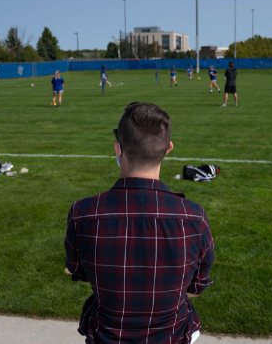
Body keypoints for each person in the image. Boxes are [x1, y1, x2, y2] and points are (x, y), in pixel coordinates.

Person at [64, 102, 215, 344]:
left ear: (117, 148)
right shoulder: (193, 217)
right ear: (169, 149)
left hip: (107, 335)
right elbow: (196, 285)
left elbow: (76, 269)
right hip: (172, 335)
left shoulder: (83, 213)